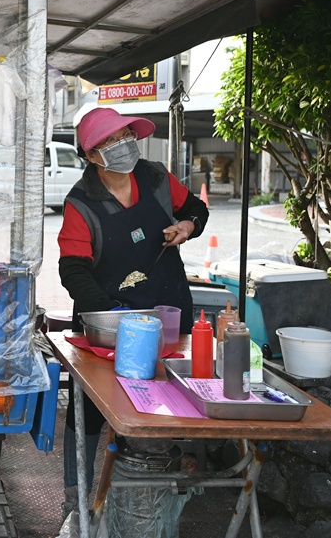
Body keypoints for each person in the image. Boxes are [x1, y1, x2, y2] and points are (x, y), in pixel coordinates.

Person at [57, 106, 209, 515]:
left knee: (163, 401)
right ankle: (78, 496)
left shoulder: (156, 176)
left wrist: (187, 228)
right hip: (107, 319)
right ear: (91, 155)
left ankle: (150, 490)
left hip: (166, 311)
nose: (122, 147)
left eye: (125, 136)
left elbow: (195, 208)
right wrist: (108, 315)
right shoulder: (81, 203)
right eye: (109, 142)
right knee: (89, 410)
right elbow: (72, 268)